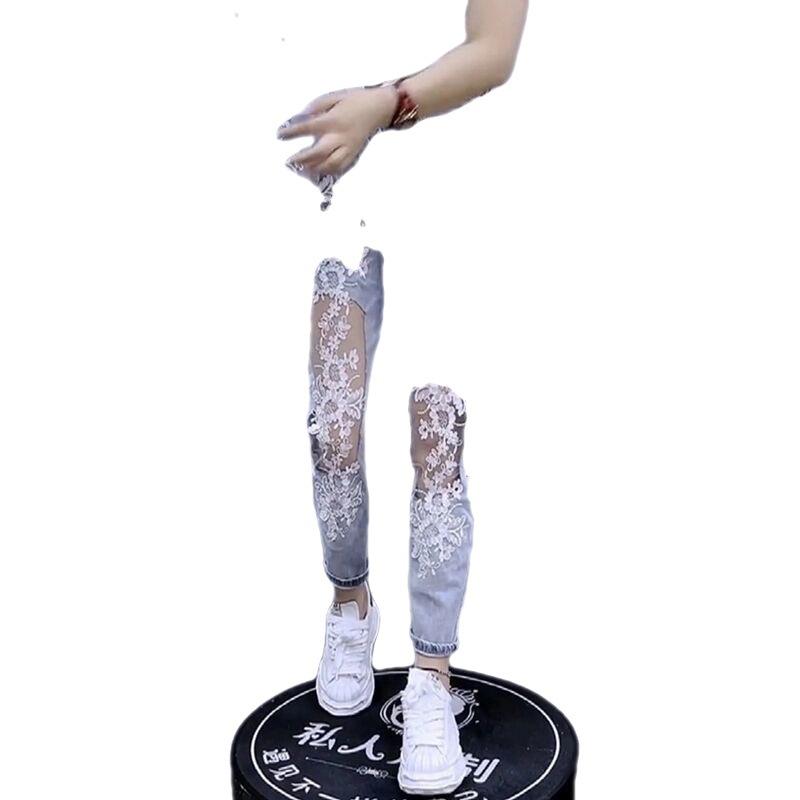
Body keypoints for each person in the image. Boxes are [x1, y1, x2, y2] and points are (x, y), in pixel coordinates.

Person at [276, 1, 529, 794]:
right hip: (339, 190)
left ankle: (430, 674)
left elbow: (495, 51)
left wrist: (386, 104)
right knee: (333, 426)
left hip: (445, 181)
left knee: (435, 437)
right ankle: (351, 604)